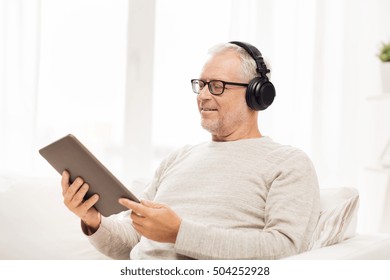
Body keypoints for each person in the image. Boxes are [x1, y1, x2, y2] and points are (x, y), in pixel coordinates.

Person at [61, 41, 320, 260]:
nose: (203, 96)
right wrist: (93, 220)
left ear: (256, 94)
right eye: (201, 84)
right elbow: (132, 240)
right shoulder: (179, 158)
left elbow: (285, 248)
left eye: (217, 85)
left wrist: (179, 233)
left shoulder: (287, 163)